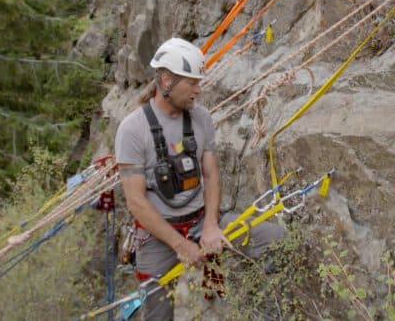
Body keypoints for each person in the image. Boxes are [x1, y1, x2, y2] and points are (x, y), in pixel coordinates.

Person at [115, 37, 284, 320]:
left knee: (275, 240)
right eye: (191, 83)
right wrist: (181, 246)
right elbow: (136, 203)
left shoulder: (201, 118)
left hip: (199, 220)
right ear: (166, 81)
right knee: (157, 313)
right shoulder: (133, 129)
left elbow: (211, 173)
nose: (198, 89)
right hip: (157, 234)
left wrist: (210, 226)